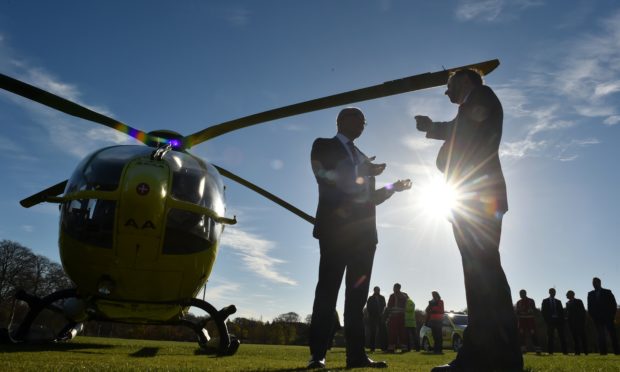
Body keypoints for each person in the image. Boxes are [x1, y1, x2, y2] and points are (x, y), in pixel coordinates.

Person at [415, 69, 523, 371]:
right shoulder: (475, 106)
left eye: (449, 87)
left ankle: (482, 355)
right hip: (475, 198)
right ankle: (502, 355)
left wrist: (438, 140)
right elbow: (456, 133)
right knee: (483, 275)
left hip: (478, 198)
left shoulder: (481, 99)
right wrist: (435, 131)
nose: (446, 94)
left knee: (481, 276)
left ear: (464, 82)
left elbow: (458, 134)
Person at [307, 107, 412, 369]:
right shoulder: (324, 145)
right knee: (327, 292)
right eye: (359, 120)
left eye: (365, 122)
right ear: (342, 121)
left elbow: (370, 199)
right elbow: (326, 177)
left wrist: (392, 187)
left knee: (357, 299)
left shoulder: (363, 158)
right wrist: (363, 170)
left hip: (365, 237)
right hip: (336, 231)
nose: (363, 124)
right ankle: (318, 355)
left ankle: (356, 356)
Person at [587, 277, 619, 355]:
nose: (594, 284)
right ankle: (603, 352)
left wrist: (612, 315)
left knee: (612, 335)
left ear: (600, 283)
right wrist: (593, 316)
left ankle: (617, 351)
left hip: (608, 317)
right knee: (600, 336)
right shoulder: (590, 294)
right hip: (597, 318)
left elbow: (613, 304)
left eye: (596, 282)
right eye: (593, 283)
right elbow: (589, 307)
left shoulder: (607, 292)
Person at [541, 288, 568, 354]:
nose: (553, 293)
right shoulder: (545, 301)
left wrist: (562, 320)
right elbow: (543, 311)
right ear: (549, 292)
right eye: (552, 292)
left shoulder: (558, 301)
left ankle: (565, 352)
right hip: (550, 321)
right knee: (550, 336)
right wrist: (547, 320)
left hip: (558, 321)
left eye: (554, 292)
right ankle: (550, 352)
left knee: (562, 336)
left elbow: (561, 312)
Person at [515, 289, 541, 354]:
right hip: (521, 320)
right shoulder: (518, 302)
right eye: (520, 294)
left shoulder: (531, 301)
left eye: (522, 293)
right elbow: (517, 312)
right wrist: (518, 312)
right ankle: (523, 349)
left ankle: (537, 349)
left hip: (530, 320)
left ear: (525, 293)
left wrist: (532, 312)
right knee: (521, 334)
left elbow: (534, 309)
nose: (521, 295)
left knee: (533, 334)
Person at [385, 283, 408, 353]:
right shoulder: (405, 296)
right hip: (402, 316)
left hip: (394, 316)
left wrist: (387, 316)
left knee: (393, 332)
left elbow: (389, 307)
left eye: (394, 287)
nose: (394, 289)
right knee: (402, 332)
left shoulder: (392, 296)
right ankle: (404, 347)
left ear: (396, 288)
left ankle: (392, 347)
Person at [565, 290, 588, 355]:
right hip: (571, 323)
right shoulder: (567, 303)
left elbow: (582, 311)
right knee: (574, 338)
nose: (566, 295)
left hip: (579, 322)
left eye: (567, 294)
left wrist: (583, 321)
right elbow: (568, 313)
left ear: (571, 295)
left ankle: (586, 351)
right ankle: (577, 352)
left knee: (582, 337)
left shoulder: (579, 301)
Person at [366, 286, 386, 352]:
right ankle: (372, 348)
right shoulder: (370, 298)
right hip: (373, 317)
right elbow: (368, 307)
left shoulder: (382, 297)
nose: (377, 291)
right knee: (373, 332)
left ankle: (383, 347)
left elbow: (384, 306)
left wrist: (382, 313)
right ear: (374, 290)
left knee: (382, 332)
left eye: (378, 290)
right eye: (376, 290)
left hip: (380, 317)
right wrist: (370, 315)